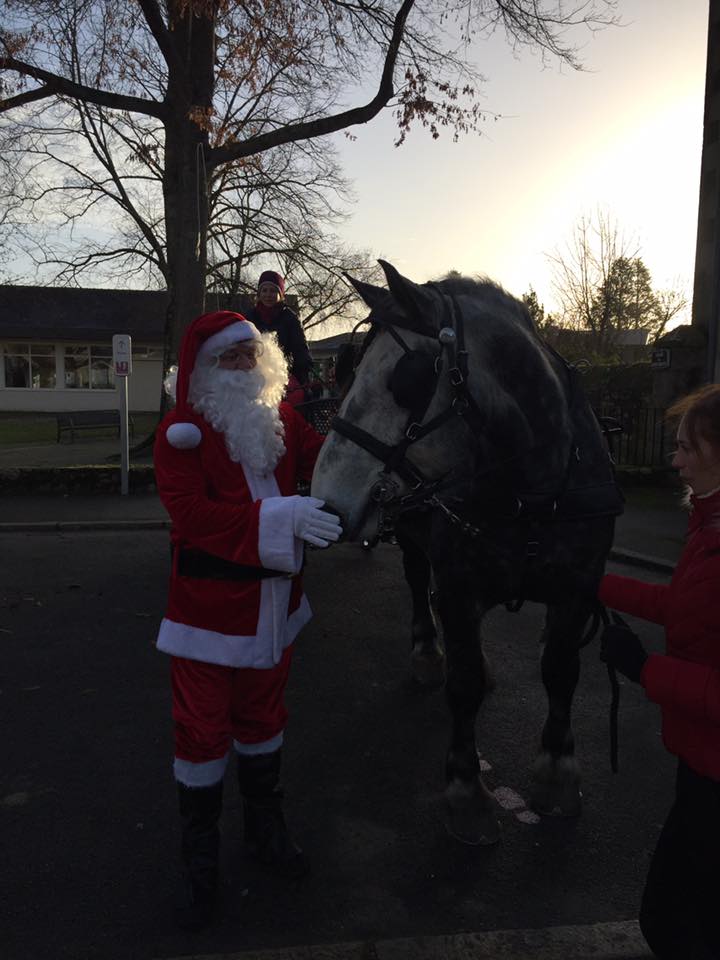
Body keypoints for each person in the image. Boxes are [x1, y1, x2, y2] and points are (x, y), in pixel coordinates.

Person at [154, 309, 342, 931]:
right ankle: (199, 857)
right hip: (208, 617)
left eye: (248, 356)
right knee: (202, 736)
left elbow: (331, 465)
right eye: (228, 358)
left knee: (264, 724)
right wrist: (286, 520)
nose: (241, 367)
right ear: (205, 370)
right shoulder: (182, 432)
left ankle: (267, 830)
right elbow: (193, 520)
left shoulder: (282, 420)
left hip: (275, 612)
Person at [599, 383, 720, 960]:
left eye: (685, 448)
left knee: (671, 918)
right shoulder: (708, 529)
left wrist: (647, 670)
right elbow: (683, 606)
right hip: (701, 765)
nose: (673, 459)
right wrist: (589, 579)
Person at [245, 270, 314, 391]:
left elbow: (300, 348)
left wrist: (301, 376)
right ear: (259, 294)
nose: (268, 295)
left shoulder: (290, 318)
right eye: (264, 290)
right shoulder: (249, 317)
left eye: (273, 291)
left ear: (280, 295)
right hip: (253, 375)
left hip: (284, 376)